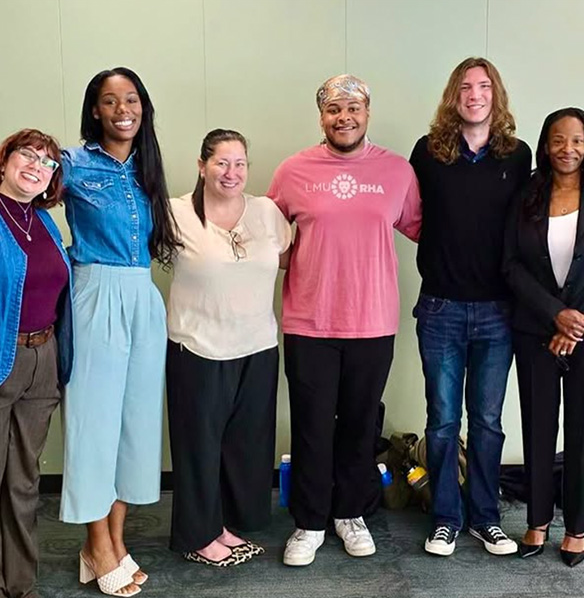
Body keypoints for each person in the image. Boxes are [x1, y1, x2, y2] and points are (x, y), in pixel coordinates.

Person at [267, 74, 421, 566]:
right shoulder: (293, 170)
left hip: (373, 321)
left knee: (358, 423)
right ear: (322, 116)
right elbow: (267, 239)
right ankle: (310, 522)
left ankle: (350, 514)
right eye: (334, 108)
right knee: (312, 425)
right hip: (309, 321)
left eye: (353, 108)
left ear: (368, 113)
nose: (344, 117)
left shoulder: (397, 171)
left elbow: (428, 232)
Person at [59, 67, 180, 597]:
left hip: (142, 297)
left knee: (135, 425)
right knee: (94, 425)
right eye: (110, 101)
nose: (122, 109)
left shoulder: (148, 169)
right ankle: (98, 544)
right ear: (94, 110)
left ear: (143, 108)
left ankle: (111, 539)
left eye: (131, 99)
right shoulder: (72, 163)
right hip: (95, 292)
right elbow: (20, 191)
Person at [409, 57, 531, 557]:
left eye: (483, 86)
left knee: (486, 421)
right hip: (440, 308)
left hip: (498, 312)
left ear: (495, 95)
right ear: (453, 95)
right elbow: (407, 213)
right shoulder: (428, 151)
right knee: (441, 421)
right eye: (465, 86)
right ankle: (445, 518)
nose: (474, 94)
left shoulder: (517, 155)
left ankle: (484, 517)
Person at [166, 128, 291, 567]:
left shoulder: (266, 211)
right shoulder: (175, 213)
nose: (231, 172)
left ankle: (224, 525)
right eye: (221, 162)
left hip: (257, 345)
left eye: (239, 163)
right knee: (198, 445)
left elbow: (290, 259)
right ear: (201, 166)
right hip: (197, 347)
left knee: (245, 446)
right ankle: (197, 535)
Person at [504, 107, 584, 567]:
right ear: (545, 145)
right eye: (559, 140)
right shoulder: (527, 196)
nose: (568, 149)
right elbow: (511, 265)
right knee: (538, 426)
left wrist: (577, 322)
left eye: (577, 141)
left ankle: (577, 527)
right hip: (535, 329)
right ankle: (538, 521)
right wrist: (555, 314)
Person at [0, 129, 72, 598]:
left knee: (24, 482)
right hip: (3, 358)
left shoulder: (44, 221)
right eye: (27, 155)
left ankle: (18, 585)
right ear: (4, 160)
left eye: (46, 163)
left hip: (42, 359)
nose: (36, 166)